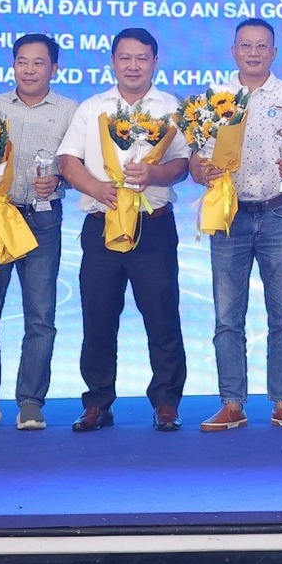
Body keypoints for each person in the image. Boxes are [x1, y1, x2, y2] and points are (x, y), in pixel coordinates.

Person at [56, 27, 191, 432]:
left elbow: (183, 165)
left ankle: (166, 403)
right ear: (113, 62)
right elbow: (68, 161)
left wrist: (154, 174)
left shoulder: (171, 107)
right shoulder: (92, 108)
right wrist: (95, 188)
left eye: (141, 58)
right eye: (125, 58)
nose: (133, 66)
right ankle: (97, 403)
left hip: (154, 226)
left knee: (162, 316)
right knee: (98, 316)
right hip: (102, 224)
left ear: (155, 62)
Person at [191, 18, 282, 432]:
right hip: (229, 214)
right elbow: (195, 160)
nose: (254, 53)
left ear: (274, 53)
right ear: (233, 51)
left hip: (279, 212)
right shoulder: (214, 98)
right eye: (246, 45)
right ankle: (232, 404)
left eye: (262, 46)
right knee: (228, 316)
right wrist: (202, 171)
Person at [0, 33, 78, 432]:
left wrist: (59, 180)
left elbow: (76, 164)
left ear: (54, 68)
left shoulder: (69, 111)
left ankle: (30, 403)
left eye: (38, 63)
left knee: (40, 317)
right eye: (22, 62)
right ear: (13, 65)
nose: (29, 70)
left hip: (43, 221)